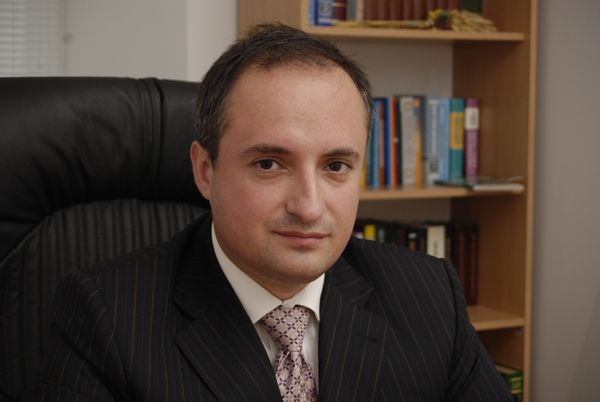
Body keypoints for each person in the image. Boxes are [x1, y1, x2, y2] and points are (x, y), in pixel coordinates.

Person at [28, 23, 515, 401]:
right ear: (205, 170)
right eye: (269, 164)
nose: (309, 206)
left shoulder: (428, 294)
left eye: (336, 166)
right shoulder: (106, 315)